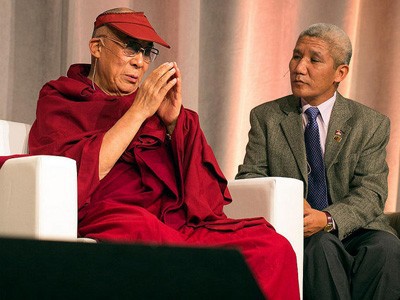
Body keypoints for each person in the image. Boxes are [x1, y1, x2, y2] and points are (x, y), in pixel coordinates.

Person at [28, 7, 300, 299]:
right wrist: (138, 112)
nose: (140, 63)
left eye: (147, 52)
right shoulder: (63, 97)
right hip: (112, 215)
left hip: (173, 221)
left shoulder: (151, 106)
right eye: (131, 48)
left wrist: (173, 123)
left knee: (271, 246)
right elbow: (75, 176)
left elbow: (204, 197)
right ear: (97, 47)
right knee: (148, 234)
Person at [236, 23, 400, 299]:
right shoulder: (267, 117)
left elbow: (371, 192)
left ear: (340, 72)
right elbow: (250, 178)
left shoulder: (370, 123)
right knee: (321, 247)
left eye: (314, 60)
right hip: (299, 229)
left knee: (387, 248)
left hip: (356, 227)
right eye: (296, 55)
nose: (299, 67)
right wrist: (288, 203)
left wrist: (327, 218)